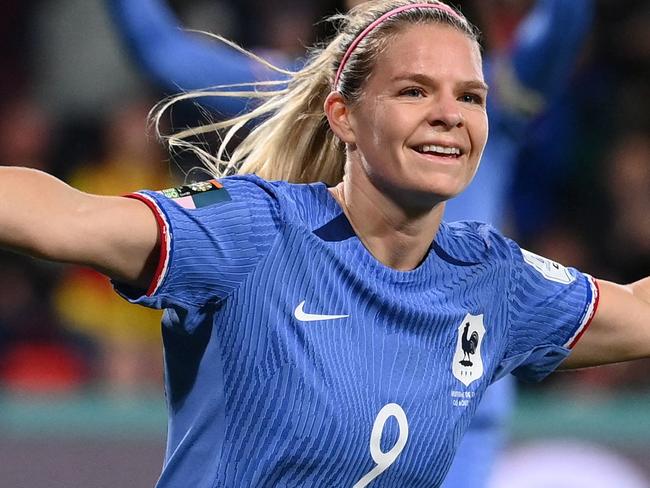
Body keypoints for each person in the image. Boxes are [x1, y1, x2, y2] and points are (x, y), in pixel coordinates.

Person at [2, 1, 648, 487]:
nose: (449, 113)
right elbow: (64, 216)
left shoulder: (491, 277)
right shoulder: (252, 231)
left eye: (470, 96)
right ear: (344, 115)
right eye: (414, 90)